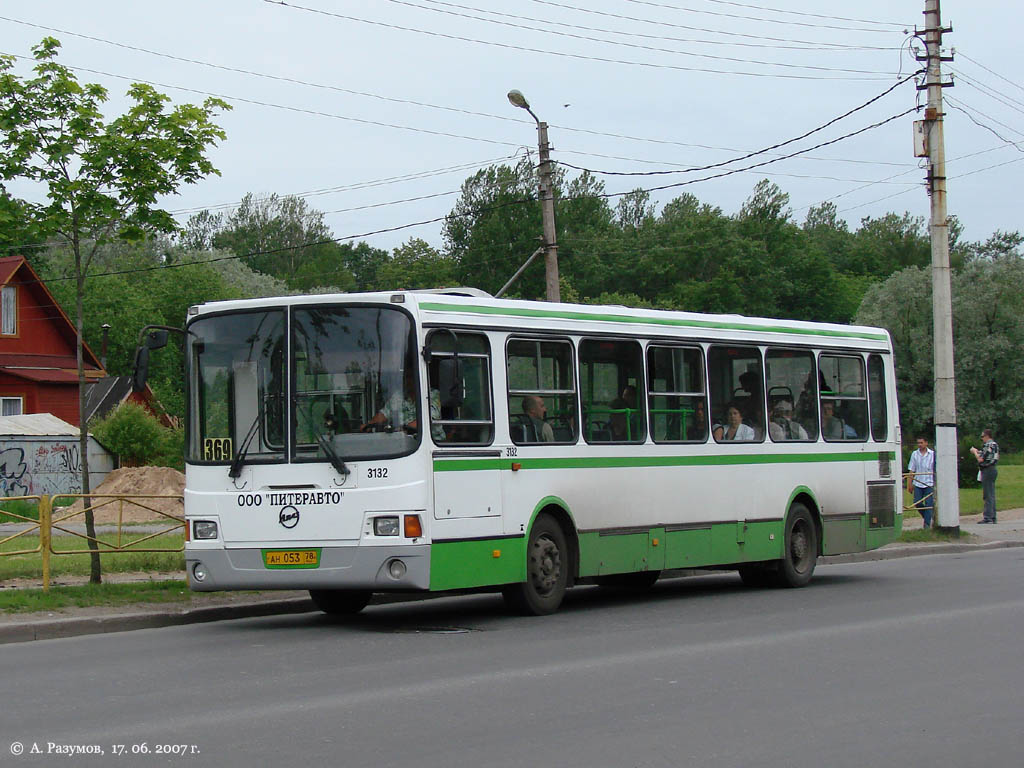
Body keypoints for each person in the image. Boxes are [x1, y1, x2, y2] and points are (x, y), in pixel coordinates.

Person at [971, 428, 1000, 524]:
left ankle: (988, 517)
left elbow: (981, 459)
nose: (982, 438)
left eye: (982, 436)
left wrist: (975, 452)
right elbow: (987, 455)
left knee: (987, 494)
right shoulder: (995, 445)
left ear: (987, 436)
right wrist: (979, 451)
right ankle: (993, 516)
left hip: (987, 470)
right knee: (991, 493)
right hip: (993, 469)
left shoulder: (988, 445)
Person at [906, 436, 935, 529]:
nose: (919, 445)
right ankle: (928, 517)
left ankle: (926, 526)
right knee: (917, 502)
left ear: (926, 443)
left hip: (929, 483)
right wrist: (909, 484)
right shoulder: (915, 454)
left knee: (928, 504)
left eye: (921, 443)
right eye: (918, 443)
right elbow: (911, 470)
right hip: (918, 483)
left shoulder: (932, 454)